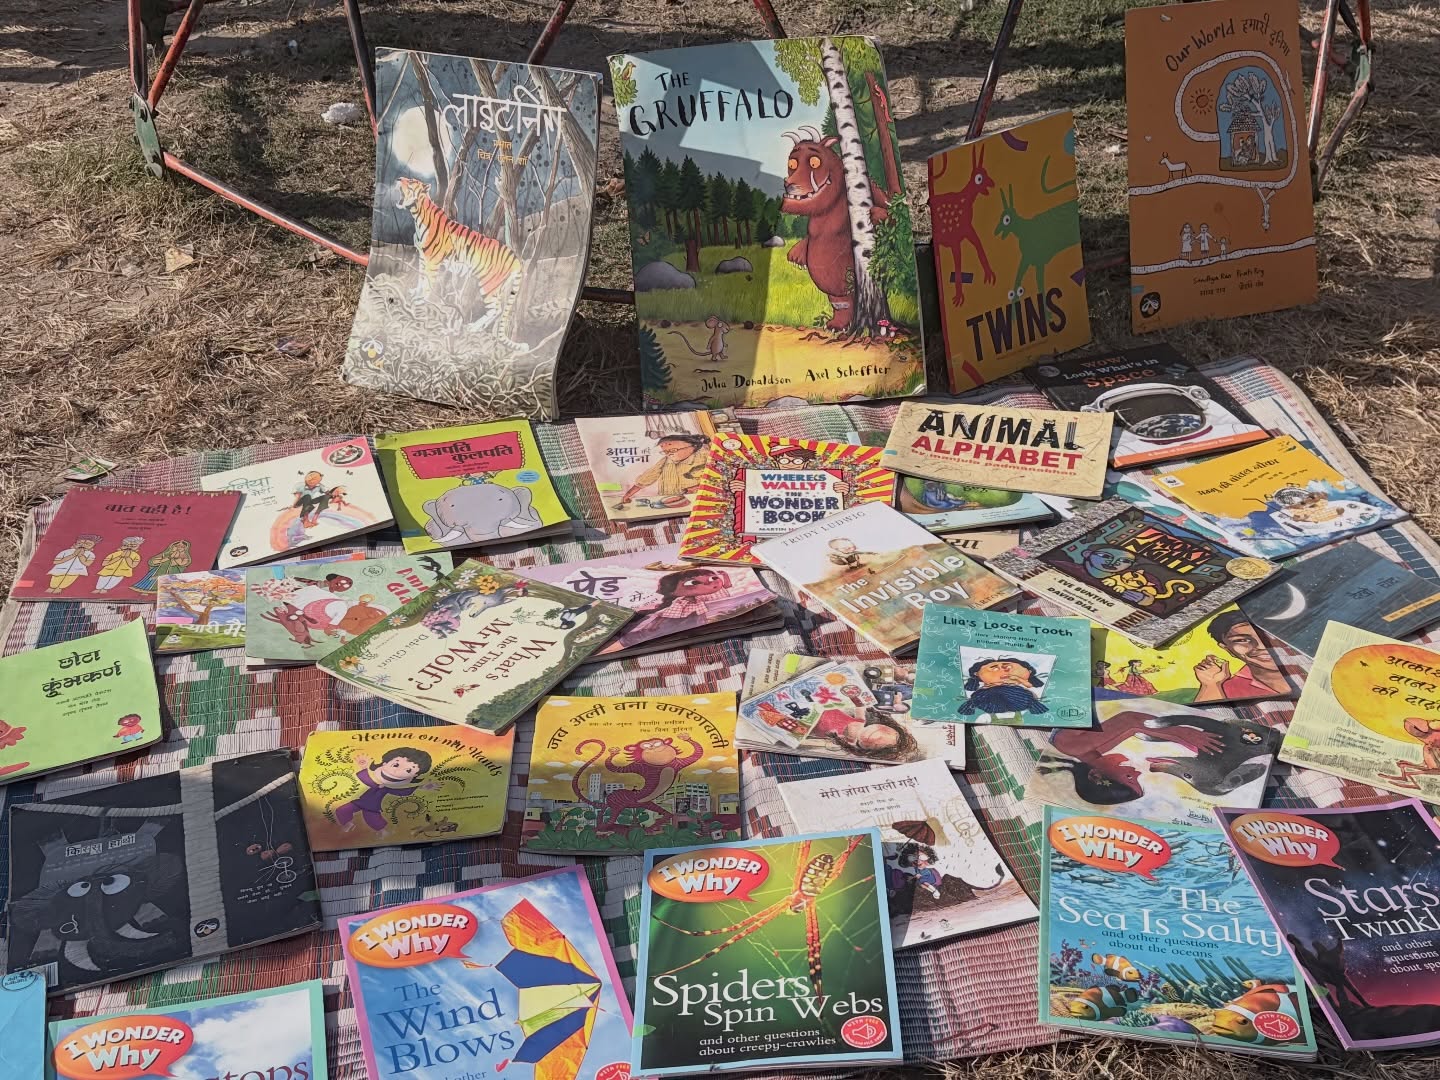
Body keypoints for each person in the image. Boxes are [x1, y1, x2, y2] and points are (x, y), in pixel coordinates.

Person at [335, 747, 440, 834]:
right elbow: (366, 779)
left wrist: (420, 787)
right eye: (396, 764)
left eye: (408, 770)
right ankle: (348, 824)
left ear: (415, 775)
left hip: (372, 807)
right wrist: (364, 767)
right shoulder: (375, 778)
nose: (397, 771)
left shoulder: (392, 787)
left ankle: (384, 832)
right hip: (358, 802)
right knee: (342, 810)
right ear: (385, 763)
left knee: (374, 821)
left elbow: (402, 791)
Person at [1192, 610, 1289, 701]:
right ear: (1227, 649)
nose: (1262, 646)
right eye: (1242, 640)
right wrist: (1211, 685)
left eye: (1268, 634)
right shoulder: (1225, 690)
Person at [618, 433, 711, 508]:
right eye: (666, 451)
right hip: (668, 500)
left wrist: (695, 488)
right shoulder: (666, 460)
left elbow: (718, 475)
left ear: (693, 447)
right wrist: (629, 494)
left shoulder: (705, 456)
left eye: (673, 450)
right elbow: (648, 476)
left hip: (697, 501)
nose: (669, 454)